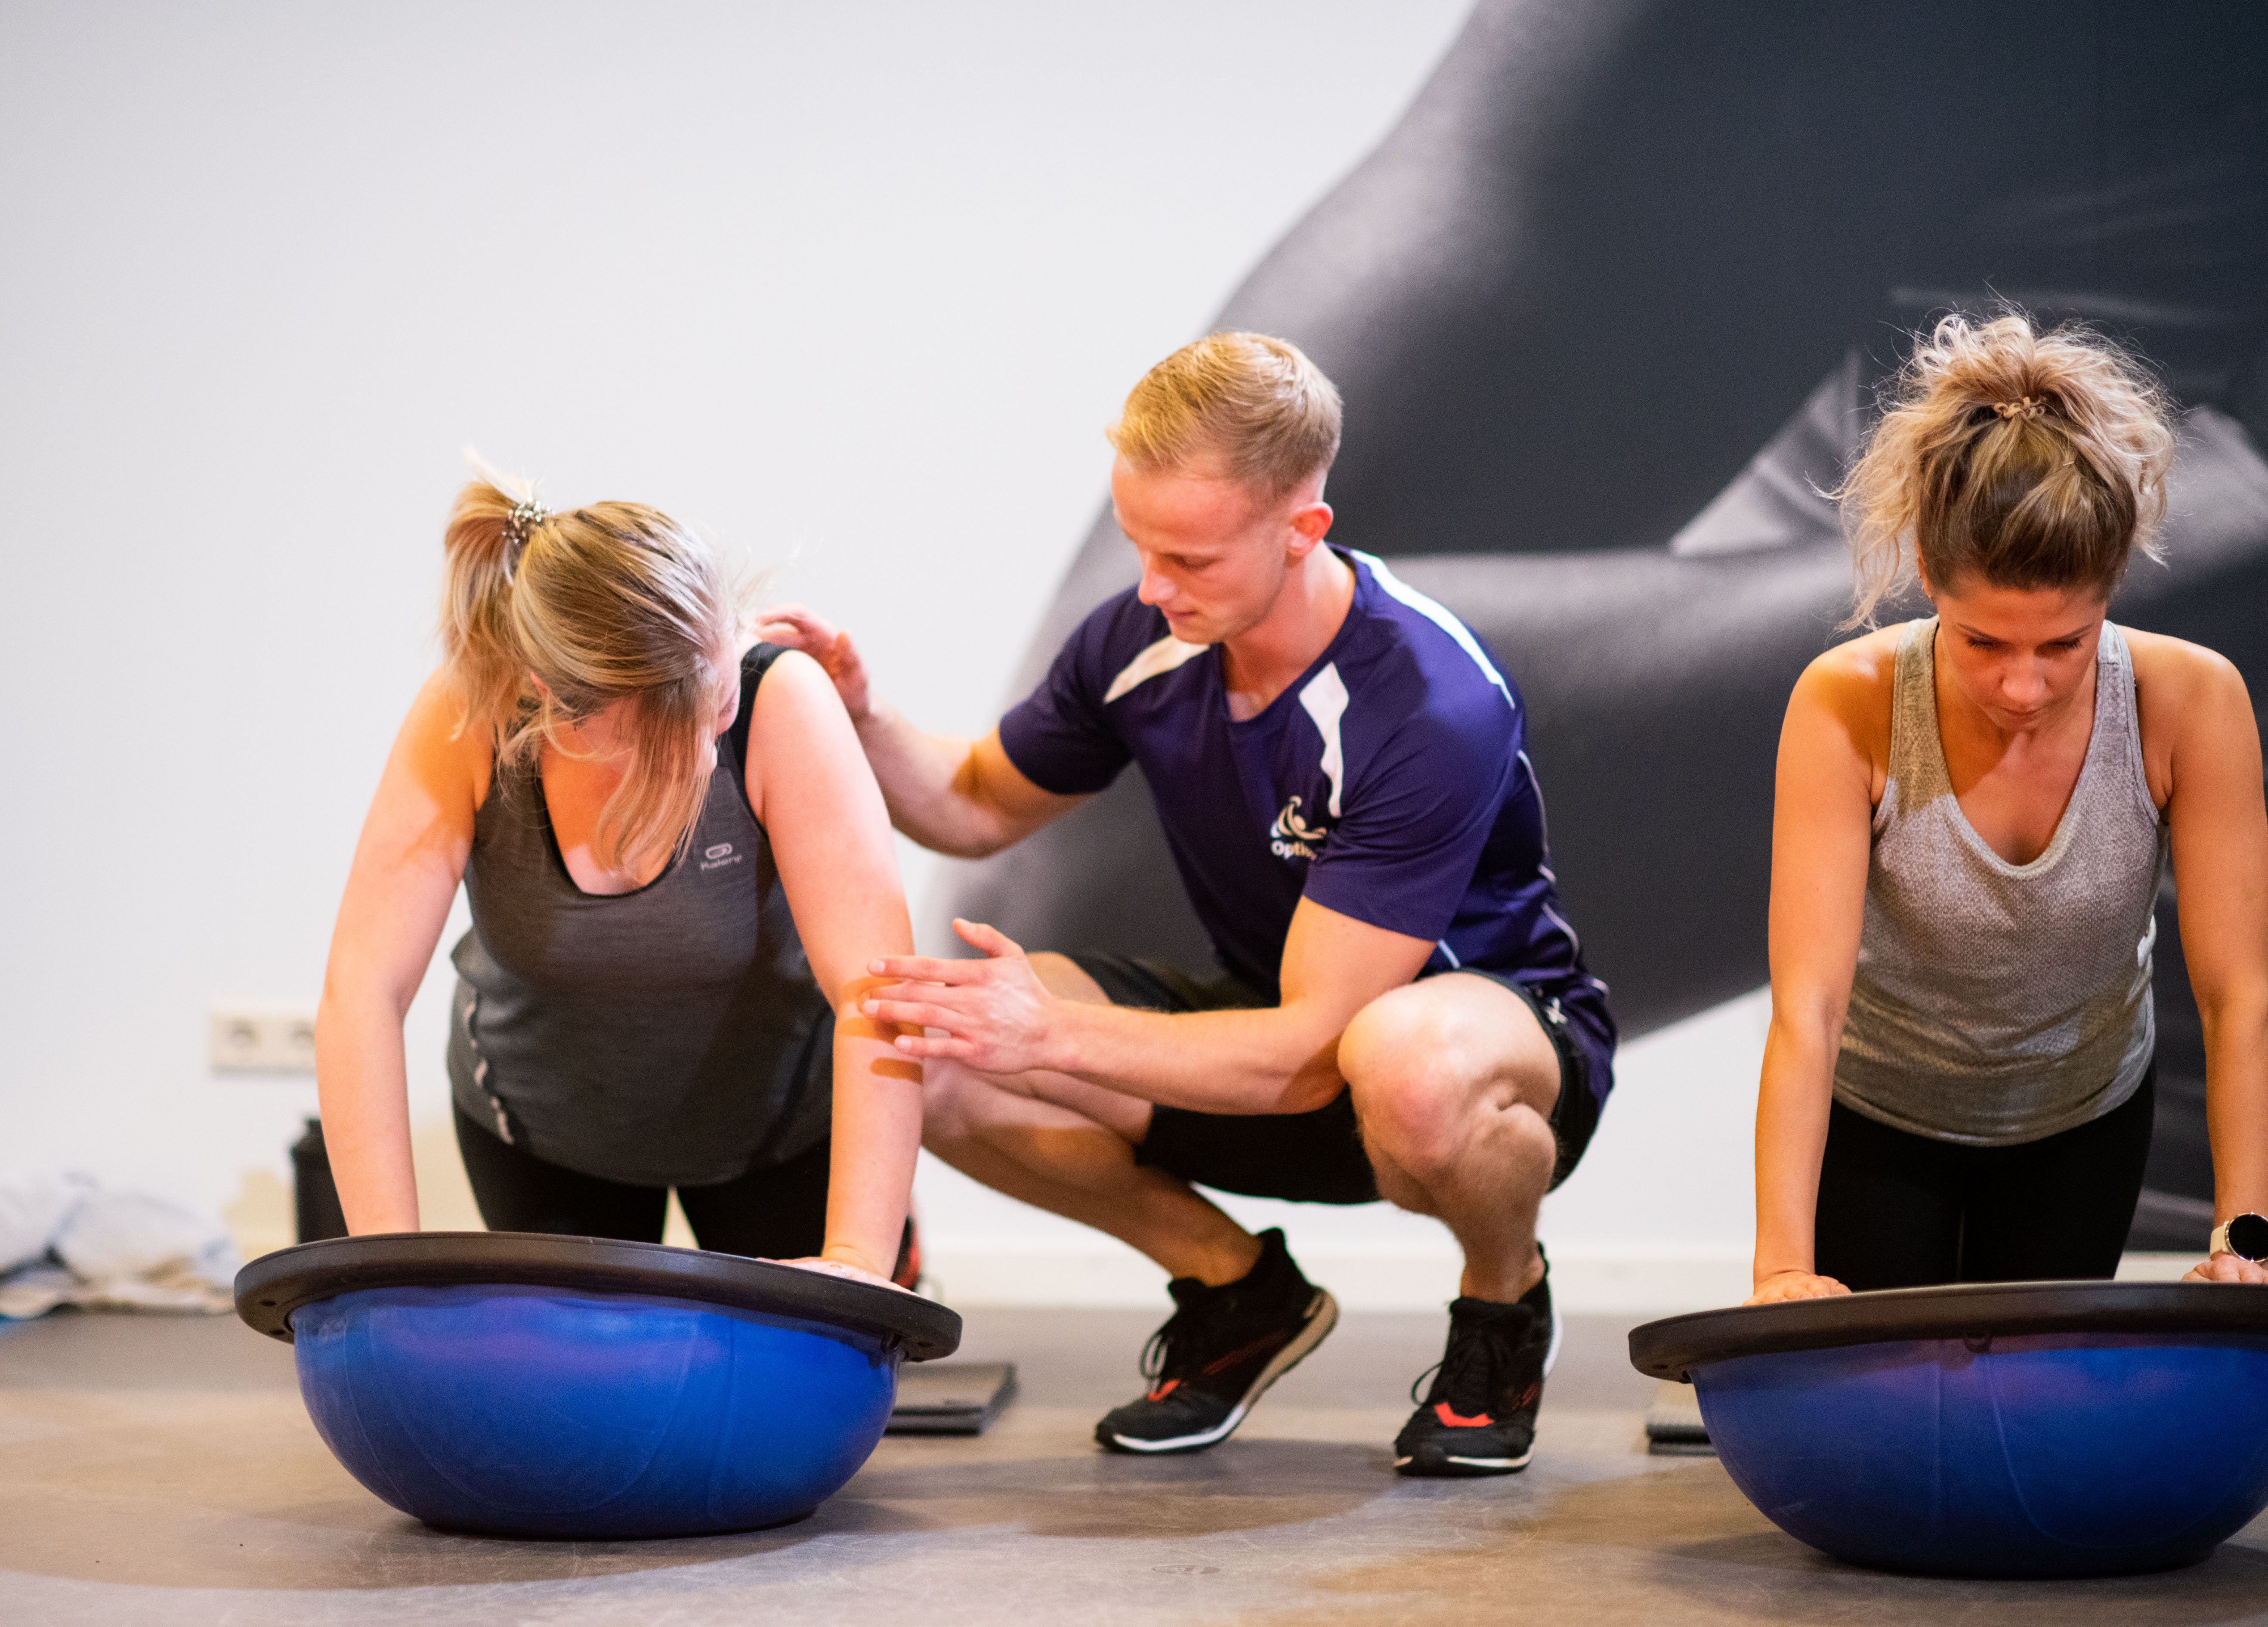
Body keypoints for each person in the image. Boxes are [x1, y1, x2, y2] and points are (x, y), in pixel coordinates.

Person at [761, 333, 1616, 1476]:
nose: (1153, 585)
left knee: (1401, 1058)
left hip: (1476, 1049)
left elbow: (1314, 1056)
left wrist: (1052, 1030)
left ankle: (1503, 1300)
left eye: (1189, 558)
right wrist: (859, 715)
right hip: (1277, 1023)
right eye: (1138, 545)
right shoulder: (1143, 636)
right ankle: (1239, 1290)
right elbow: (969, 805)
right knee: (942, 1048)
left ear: (1300, 529)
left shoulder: (1425, 702)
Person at [1749, 314, 2268, 1305]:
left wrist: (2245, 1240)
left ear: (2112, 589)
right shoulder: (1846, 699)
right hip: (1880, 1117)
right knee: (1892, 1423)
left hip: (2082, 1120)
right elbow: (1806, 1011)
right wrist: (1781, 1268)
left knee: (2029, 1427)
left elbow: (2236, 999)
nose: (2023, 687)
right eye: (1983, 643)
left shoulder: (2191, 700)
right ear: (1929, 583)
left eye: (2063, 646)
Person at [315, 467, 923, 1287]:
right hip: (545, 1128)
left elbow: (875, 994)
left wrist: (856, 1259)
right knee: (585, 1406)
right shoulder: (471, 715)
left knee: (764, 1401)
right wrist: (383, 1264)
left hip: (775, 1124)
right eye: (674, 737)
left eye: (718, 711)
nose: (710, 755)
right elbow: (362, 990)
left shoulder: (781, 699)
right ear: (554, 705)